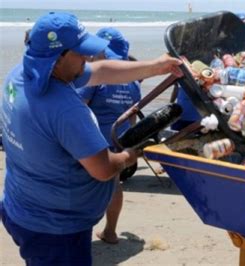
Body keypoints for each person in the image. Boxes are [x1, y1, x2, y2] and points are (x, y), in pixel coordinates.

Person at [1, 12, 182, 265]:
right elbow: (103, 168)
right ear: (59, 56)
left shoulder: (21, 74)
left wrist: (155, 67)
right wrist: (130, 156)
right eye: (80, 52)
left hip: (19, 206)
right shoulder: (65, 108)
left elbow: (101, 70)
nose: (87, 57)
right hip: (56, 229)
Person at [76, 27, 140, 245]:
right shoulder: (132, 81)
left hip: (93, 144)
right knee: (114, 185)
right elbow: (133, 118)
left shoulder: (96, 78)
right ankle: (110, 231)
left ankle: (80, 234)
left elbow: (78, 110)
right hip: (119, 142)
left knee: (83, 188)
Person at [172, 0, 245, 131]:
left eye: (240, 34)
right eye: (232, 33)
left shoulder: (239, 59)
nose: (235, 38)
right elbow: (179, 84)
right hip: (189, 120)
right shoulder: (205, 53)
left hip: (216, 120)